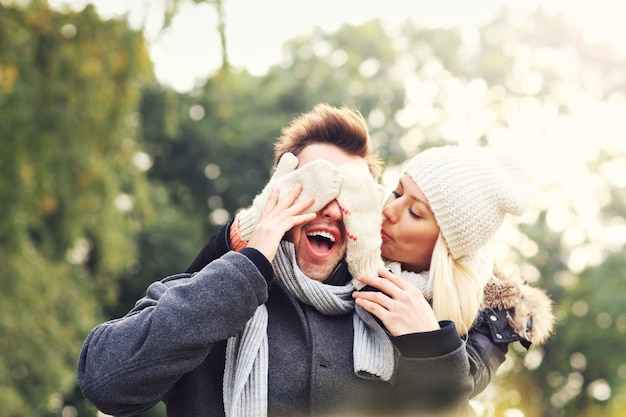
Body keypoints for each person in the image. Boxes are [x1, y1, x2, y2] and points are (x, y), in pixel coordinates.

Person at [77, 104, 550, 417]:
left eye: (349, 191)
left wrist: (428, 348)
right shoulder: (210, 291)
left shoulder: (392, 316)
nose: (329, 206)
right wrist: (247, 264)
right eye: (313, 186)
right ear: (274, 195)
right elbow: (105, 379)